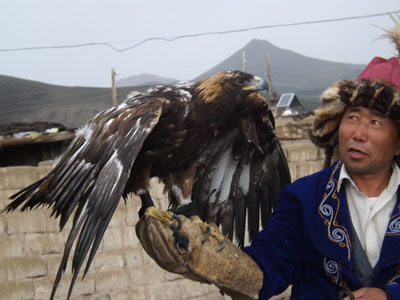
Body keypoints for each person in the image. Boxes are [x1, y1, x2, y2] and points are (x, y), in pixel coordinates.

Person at [137, 17, 400, 300]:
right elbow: (266, 267)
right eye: (352, 117)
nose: (358, 133)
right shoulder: (305, 197)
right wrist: (215, 263)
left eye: (375, 122)